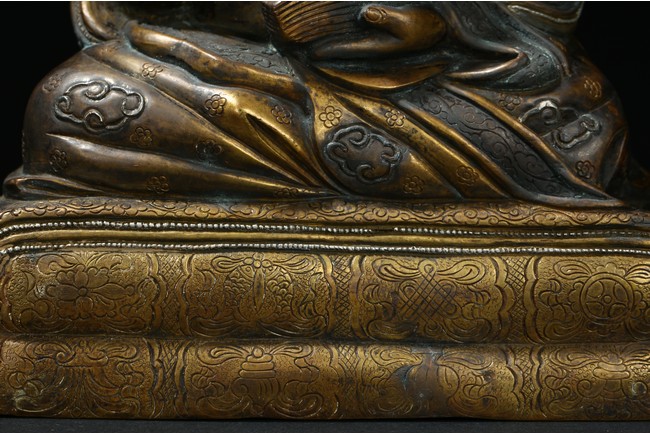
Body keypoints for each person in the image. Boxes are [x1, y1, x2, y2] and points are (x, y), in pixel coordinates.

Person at [7, 1, 645, 206]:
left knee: (576, 132)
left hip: (471, 90)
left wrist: (441, 19)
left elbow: (540, 18)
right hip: (246, 57)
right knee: (73, 104)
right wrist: (257, 13)